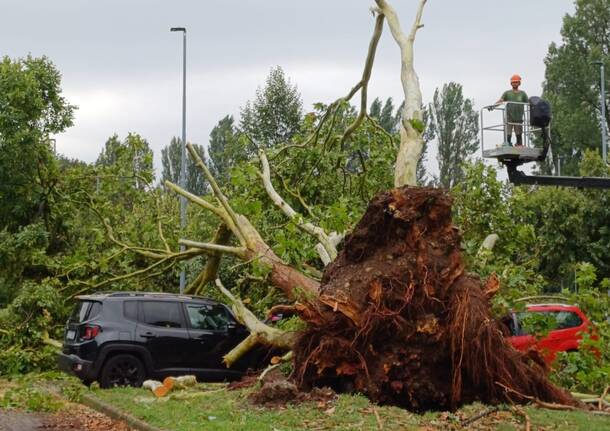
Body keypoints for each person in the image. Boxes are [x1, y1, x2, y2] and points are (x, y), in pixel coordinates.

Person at [496, 74, 528, 146]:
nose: (514, 83)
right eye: (513, 82)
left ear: (519, 83)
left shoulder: (523, 94)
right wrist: (493, 106)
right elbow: (501, 100)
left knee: (518, 132)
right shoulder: (507, 93)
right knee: (508, 132)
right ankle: (508, 143)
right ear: (511, 83)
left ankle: (519, 144)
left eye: (516, 82)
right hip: (509, 116)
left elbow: (528, 102)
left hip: (518, 117)